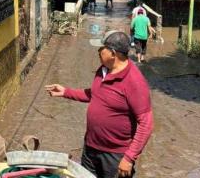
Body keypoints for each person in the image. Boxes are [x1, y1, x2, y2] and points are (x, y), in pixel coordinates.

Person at [45, 31, 153, 178]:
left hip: (116, 156)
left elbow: (146, 124)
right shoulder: (103, 70)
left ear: (113, 53)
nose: (98, 51)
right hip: (90, 148)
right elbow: (95, 94)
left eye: (102, 48)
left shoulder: (135, 81)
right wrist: (66, 92)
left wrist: (129, 158)